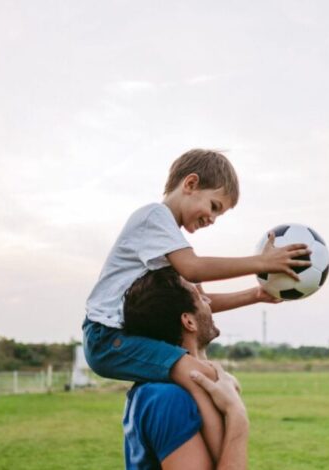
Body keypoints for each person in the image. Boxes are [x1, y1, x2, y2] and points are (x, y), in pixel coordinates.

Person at [83, 149, 311, 458]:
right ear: (190, 183)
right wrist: (261, 262)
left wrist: (254, 295)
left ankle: (221, 453)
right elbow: (193, 268)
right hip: (107, 338)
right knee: (198, 376)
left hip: (121, 338)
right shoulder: (154, 217)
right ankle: (224, 456)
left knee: (203, 374)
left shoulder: (167, 242)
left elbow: (196, 303)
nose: (213, 219)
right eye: (214, 206)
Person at [122, 267, 249, 470]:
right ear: (188, 321)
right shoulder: (166, 398)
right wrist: (238, 416)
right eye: (200, 298)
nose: (208, 302)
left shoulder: (165, 391)